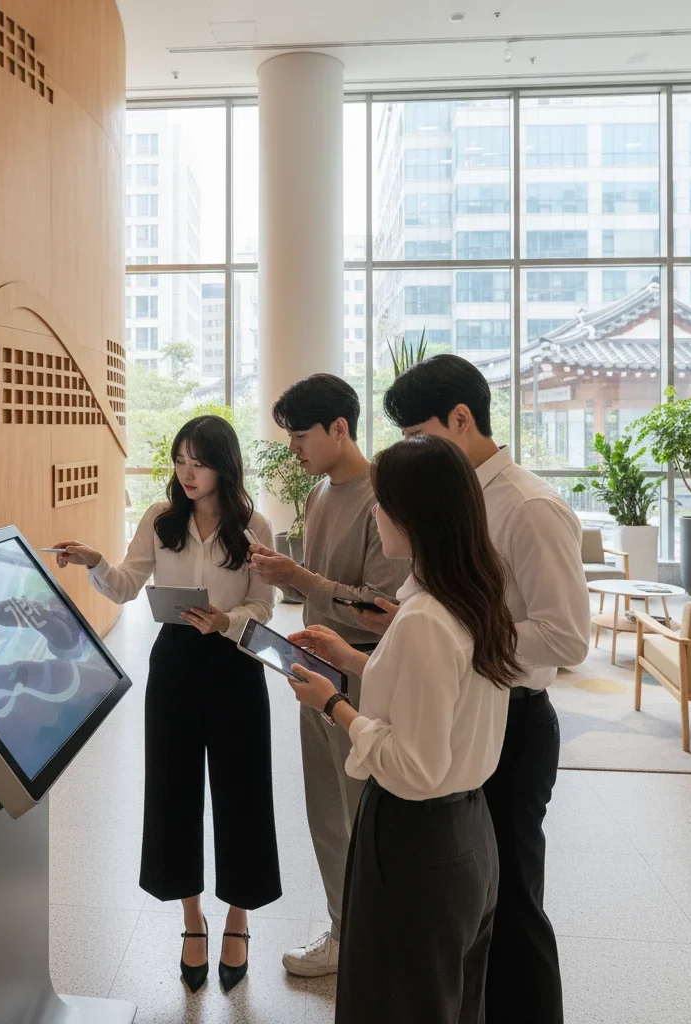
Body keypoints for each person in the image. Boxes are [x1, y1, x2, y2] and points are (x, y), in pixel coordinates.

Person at [365, 353, 591, 1024]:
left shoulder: (528, 505)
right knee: (471, 909)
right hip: (463, 710)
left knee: (514, 905)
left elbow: (568, 636)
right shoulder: (455, 495)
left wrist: (459, 636)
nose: (413, 452)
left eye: (418, 436)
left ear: (462, 419)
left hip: (514, 720)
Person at [286, 434, 516, 1023]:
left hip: (418, 843)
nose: (372, 509)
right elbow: (438, 698)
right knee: (453, 1001)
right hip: (469, 832)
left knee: (396, 1002)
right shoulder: (474, 596)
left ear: (413, 517)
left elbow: (413, 766)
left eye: (382, 501)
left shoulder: (424, 620)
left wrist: (333, 702)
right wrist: (356, 659)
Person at [55, 415, 281, 994]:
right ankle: (191, 919)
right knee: (173, 790)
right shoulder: (161, 520)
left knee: (243, 793)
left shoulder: (255, 525)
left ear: (223, 466)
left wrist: (227, 619)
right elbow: (129, 583)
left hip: (234, 662)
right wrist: (95, 564)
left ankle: (238, 918)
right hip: (176, 662)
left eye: (198, 462)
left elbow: (264, 605)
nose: (186, 473)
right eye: (180, 461)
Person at [247, 374, 409, 977]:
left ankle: (370, 937)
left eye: (301, 435)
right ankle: (345, 931)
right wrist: (285, 576)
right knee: (324, 809)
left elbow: (380, 604)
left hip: (363, 668)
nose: (293, 448)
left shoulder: (382, 497)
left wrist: (301, 578)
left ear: (340, 428)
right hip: (311, 665)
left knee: (360, 809)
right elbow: (319, 590)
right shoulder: (319, 495)